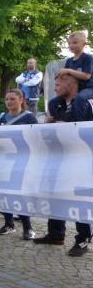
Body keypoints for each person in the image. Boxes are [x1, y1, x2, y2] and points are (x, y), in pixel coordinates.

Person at [34, 73, 92, 257]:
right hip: (59, 157)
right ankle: (56, 234)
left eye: (58, 84)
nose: (54, 88)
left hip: (81, 158)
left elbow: (82, 128)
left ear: (71, 84)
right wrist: (49, 125)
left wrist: (62, 124)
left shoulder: (84, 102)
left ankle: (83, 239)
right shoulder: (54, 103)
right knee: (55, 193)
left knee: (79, 198)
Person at [0, 89, 38, 239]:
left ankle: (28, 227)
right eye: (7, 99)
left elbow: (36, 138)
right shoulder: (1, 117)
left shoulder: (29, 118)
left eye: (12, 99)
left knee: (20, 194)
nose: (9, 102)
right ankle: (9, 223)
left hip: (21, 161)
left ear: (21, 99)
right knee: (3, 193)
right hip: (3, 160)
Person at [55, 31, 93, 116]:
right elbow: (65, 76)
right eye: (69, 43)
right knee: (54, 102)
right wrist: (59, 74)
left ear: (84, 44)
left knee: (79, 98)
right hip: (74, 89)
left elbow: (87, 76)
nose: (71, 45)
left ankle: (80, 121)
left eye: (75, 43)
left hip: (89, 88)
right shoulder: (69, 61)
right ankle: (61, 119)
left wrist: (69, 71)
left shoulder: (88, 58)